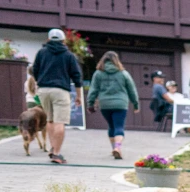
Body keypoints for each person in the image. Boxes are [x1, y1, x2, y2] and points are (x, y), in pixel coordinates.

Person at [29, 28, 82, 165]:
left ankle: (52, 148)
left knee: (50, 121)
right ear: (63, 41)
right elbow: (77, 76)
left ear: (48, 39)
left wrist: (39, 82)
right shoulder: (69, 56)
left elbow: (35, 70)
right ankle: (57, 154)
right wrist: (79, 96)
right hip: (60, 91)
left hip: (44, 90)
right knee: (60, 122)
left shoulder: (41, 53)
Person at [85, 51, 139, 160]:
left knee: (111, 126)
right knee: (119, 126)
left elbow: (93, 90)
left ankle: (114, 148)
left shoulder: (98, 73)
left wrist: (90, 103)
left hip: (105, 104)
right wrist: (136, 103)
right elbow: (132, 90)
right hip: (120, 103)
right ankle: (118, 148)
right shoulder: (123, 73)